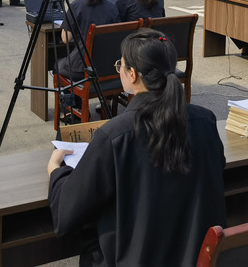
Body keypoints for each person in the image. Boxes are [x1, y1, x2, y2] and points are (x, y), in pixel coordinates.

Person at [47, 28, 227, 266]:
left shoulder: (114, 135)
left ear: (132, 74)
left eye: (119, 65)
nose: (119, 69)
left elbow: (65, 214)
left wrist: (56, 171)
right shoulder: (205, 120)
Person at [56, 0, 119, 81]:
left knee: (57, 65)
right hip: (106, 67)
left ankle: (72, 98)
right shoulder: (112, 7)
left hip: (82, 68)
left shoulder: (76, 6)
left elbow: (66, 39)